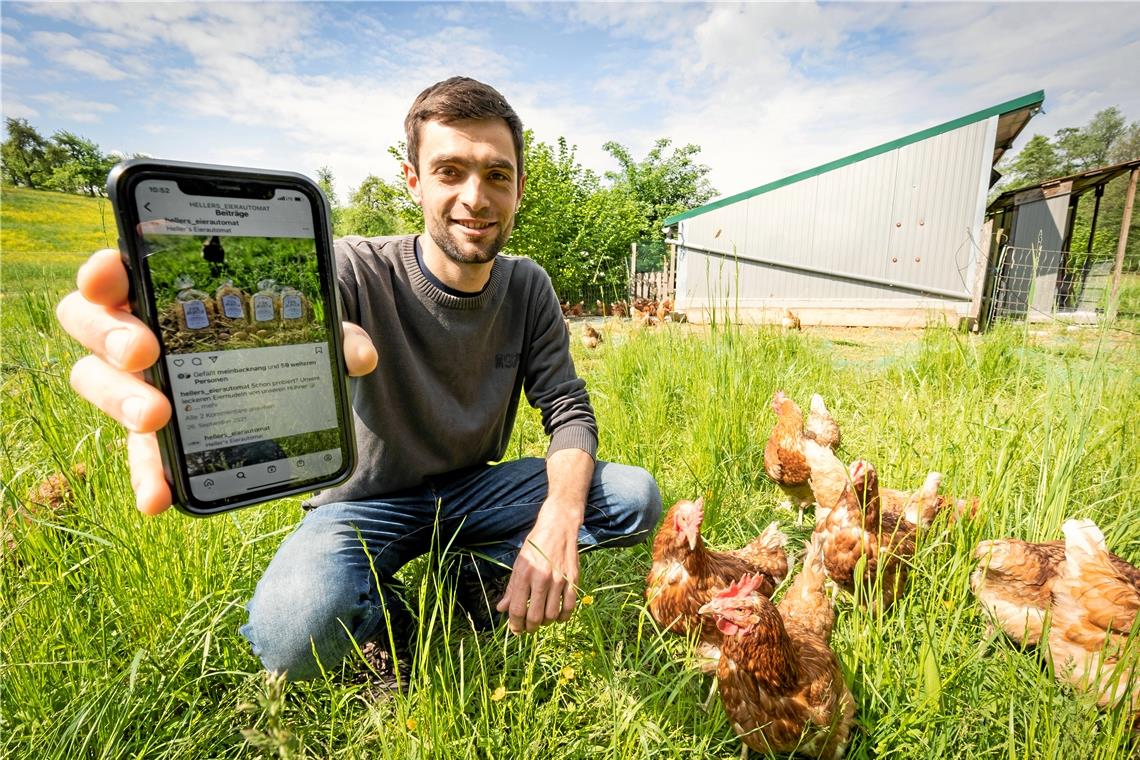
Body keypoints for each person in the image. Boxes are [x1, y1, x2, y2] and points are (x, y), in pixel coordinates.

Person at [56, 76, 662, 688]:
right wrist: (188, 350)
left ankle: (471, 581)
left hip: (475, 492)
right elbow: (268, 336)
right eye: (450, 171)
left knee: (633, 499)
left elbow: (566, 409)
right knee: (292, 632)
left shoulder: (528, 285)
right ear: (414, 181)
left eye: (496, 175)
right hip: (359, 504)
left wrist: (557, 518)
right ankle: (391, 626)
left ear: (519, 189)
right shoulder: (348, 269)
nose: (475, 197)